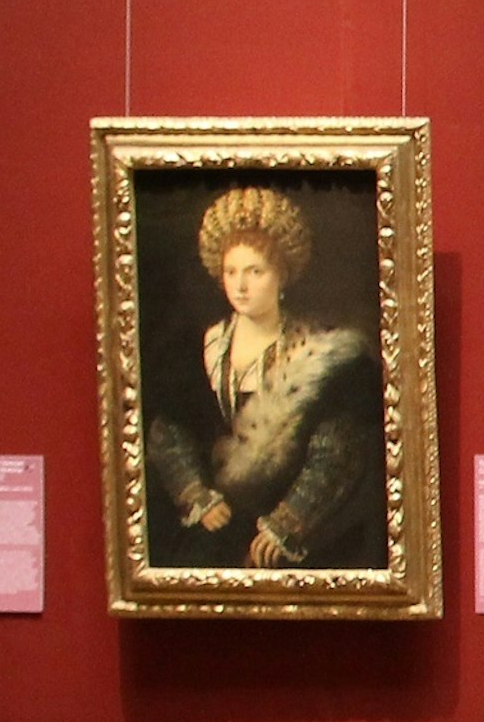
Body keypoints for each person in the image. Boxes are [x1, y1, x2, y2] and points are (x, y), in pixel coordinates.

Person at [141, 186, 385, 570]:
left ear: (281, 276)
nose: (240, 285)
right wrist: (196, 494)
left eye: (255, 271)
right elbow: (168, 430)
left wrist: (287, 522)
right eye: (231, 271)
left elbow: (336, 451)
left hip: (288, 538)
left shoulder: (317, 353)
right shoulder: (202, 347)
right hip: (207, 532)